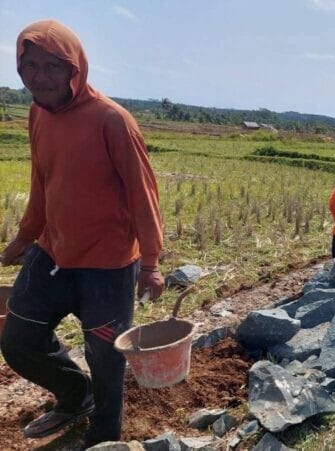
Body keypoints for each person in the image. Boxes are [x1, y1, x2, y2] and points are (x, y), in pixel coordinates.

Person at [0, 20, 164, 446]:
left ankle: (106, 432)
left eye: (53, 66)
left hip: (107, 267)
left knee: (106, 356)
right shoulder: (38, 113)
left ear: (76, 67)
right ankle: (76, 396)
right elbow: (43, 180)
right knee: (18, 340)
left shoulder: (112, 120)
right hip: (52, 254)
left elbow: (142, 194)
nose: (40, 77)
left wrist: (151, 263)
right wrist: (24, 236)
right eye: (29, 65)